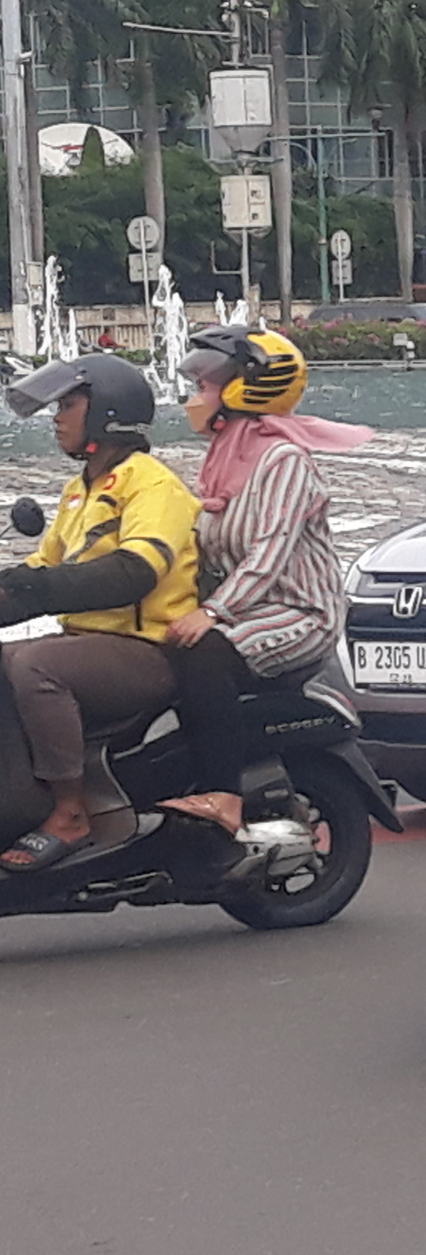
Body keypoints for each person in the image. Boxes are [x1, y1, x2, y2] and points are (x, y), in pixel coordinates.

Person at [159, 326, 373, 835]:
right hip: (251, 608)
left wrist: (211, 612)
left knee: (204, 653)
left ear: (241, 390)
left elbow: (269, 552)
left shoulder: (283, 460)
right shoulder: (225, 458)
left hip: (300, 611)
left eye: (205, 388)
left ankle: (223, 794)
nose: (195, 399)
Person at [0, 356, 201, 872]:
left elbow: (135, 572)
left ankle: (70, 811)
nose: (57, 416)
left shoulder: (151, 484)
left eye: (69, 404)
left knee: (34, 667)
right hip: (87, 644)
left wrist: (32, 591)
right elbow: (42, 567)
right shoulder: (79, 492)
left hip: (147, 649)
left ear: (107, 412)